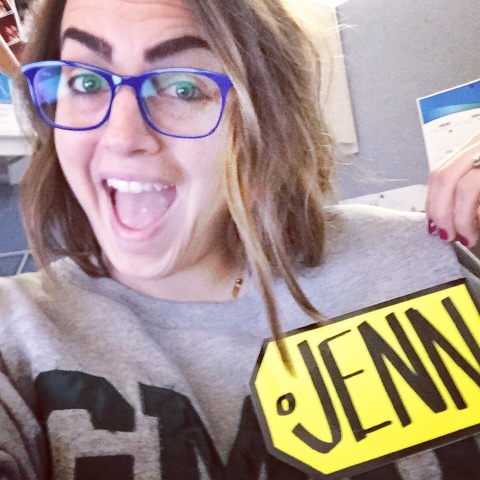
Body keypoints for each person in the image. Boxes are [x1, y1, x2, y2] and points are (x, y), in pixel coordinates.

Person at [1, 0, 479, 479]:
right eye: (85, 82)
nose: (121, 137)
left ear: (265, 118)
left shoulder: (426, 260)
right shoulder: (15, 337)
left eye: (184, 87)